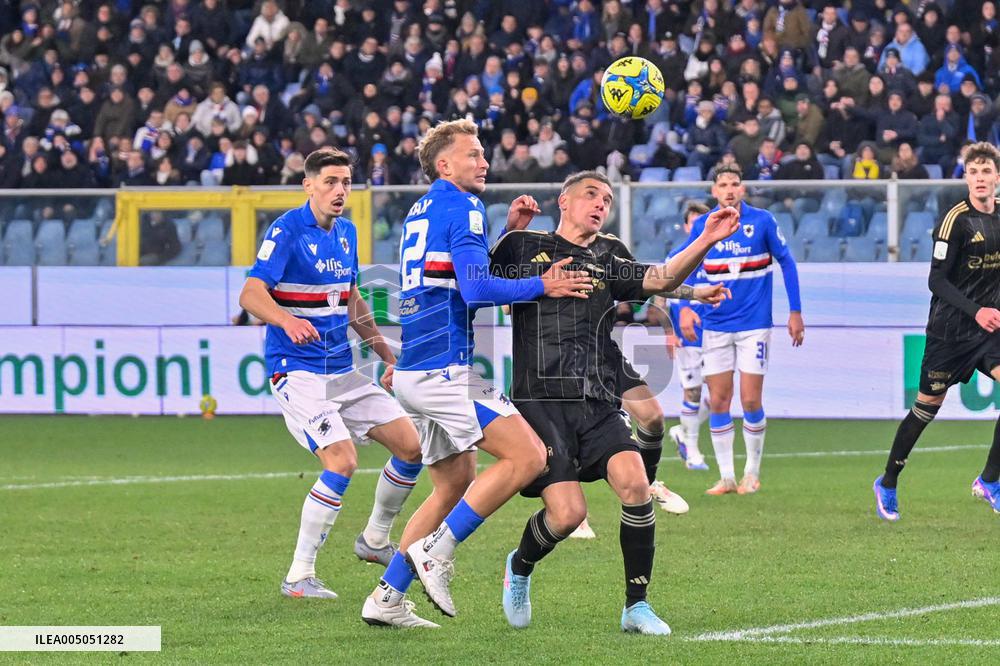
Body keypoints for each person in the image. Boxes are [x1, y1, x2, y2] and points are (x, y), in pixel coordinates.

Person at [361, 119, 594, 628]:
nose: (483, 161)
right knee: (529, 455)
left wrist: (508, 232)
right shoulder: (464, 206)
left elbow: (455, 274)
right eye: (472, 154)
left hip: (416, 368)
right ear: (445, 164)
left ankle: (386, 598)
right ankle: (438, 551)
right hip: (445, 368)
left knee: (454, 482)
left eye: (483, 153)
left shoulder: (422, 208)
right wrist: (542, 284)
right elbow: (476, 290)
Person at [491, 171, 737, 635]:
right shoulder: (523, 245)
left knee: (634, 484)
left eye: (606, 198)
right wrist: (508, 230)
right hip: (539, 398)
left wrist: (705, 238)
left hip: (596, 394)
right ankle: (520, 566)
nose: (600, 203)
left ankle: (636, 606)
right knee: (568, 515)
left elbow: (661, 278)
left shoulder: (609, 254)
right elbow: (479, 284)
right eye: (590, 195)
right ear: (563, 201)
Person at [238, 148, 425, 601]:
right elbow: (250, 293)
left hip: (341, 367)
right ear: (309, 185)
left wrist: (385, 353)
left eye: (345, 181)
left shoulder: (347, 233)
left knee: (411, 447)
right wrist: (286, 319)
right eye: (330, 182)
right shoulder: (286, 230)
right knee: (341, 460)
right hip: (297, 371)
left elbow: (352, 299)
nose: (340, 190)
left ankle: (374, 540)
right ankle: (299, 575)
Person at [874, 142, 1000, 520]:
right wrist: (976, 311)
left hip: (989, 333)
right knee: (926, 410)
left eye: (986, 171)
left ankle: (990, 480)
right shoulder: (954, 221)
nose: (980, 179)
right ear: (966, 178)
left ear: (998, 177)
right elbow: (936, 280)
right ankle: (889, 481)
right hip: (950, 334)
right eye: (973, 172)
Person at [678, 165, 804, 496]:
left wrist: (795, 312)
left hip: (754, 325)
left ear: (743, 189)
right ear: (714, 192)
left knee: (750, 399)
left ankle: (752, 472)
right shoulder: (705, 226)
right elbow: (686, 264)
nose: (730, 189)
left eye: (735, 183)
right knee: (719, 400)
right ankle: (727, 477)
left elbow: (787, 262)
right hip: (715, 324)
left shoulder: (761, 221)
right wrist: (686, 307)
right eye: (723, 184)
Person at [661, 202, 713, 471]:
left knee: (719, 396)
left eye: (702, 223)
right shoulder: (678, 255)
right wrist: (668, 331)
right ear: (685, 226)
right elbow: (659, 292)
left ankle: (682, 431)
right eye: (693, 223)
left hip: (716, 330)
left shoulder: (717, 255)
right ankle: (693, 452)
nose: (697, 228)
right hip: (687, 334)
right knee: (693, 391)